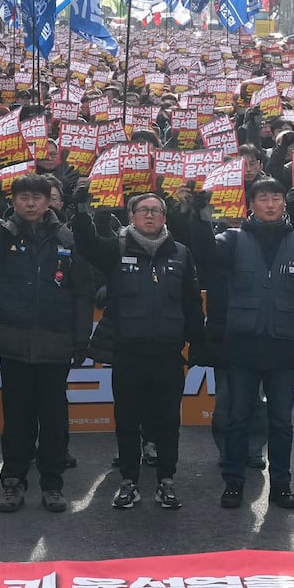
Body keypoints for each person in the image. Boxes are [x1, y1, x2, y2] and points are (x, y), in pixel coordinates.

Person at [186, 177, 294, 510]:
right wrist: (201, 213)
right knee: (236, 417)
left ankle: (282, 485)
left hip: (282, 345)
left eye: (277, 197)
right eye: (264, 198)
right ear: (251, 204)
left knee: (280, 422)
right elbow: (205, 253)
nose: (271, 204)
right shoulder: (233, 239)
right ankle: (234, 481)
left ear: (284, 203)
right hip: (241, 345)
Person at [0, 173, 92, 513]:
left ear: (49, 200)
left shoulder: (67, 238)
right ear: (15, 202)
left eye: (38, 197)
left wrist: (82, 338)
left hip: (56, 343)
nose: (32, 203)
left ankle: (52, 484)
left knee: (54, 419)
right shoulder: (2, 237)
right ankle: (13, 482)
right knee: (17, 418)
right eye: (24, 198)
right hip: (14, 343)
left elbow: (81, 293)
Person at [72, 192, 204, 510]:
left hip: (168, 355)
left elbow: (191, 303)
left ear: (164, 218)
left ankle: (166, 481)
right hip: (128, 354)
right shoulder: (116, 249)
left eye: (156, 210)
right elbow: (87, 244)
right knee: (127, 420)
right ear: (131, 216)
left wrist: (198, 342)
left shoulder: (181, 254)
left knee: (168, 420)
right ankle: (129, 481)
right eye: (143, 210)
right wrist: (81, 210)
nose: (149, 215)